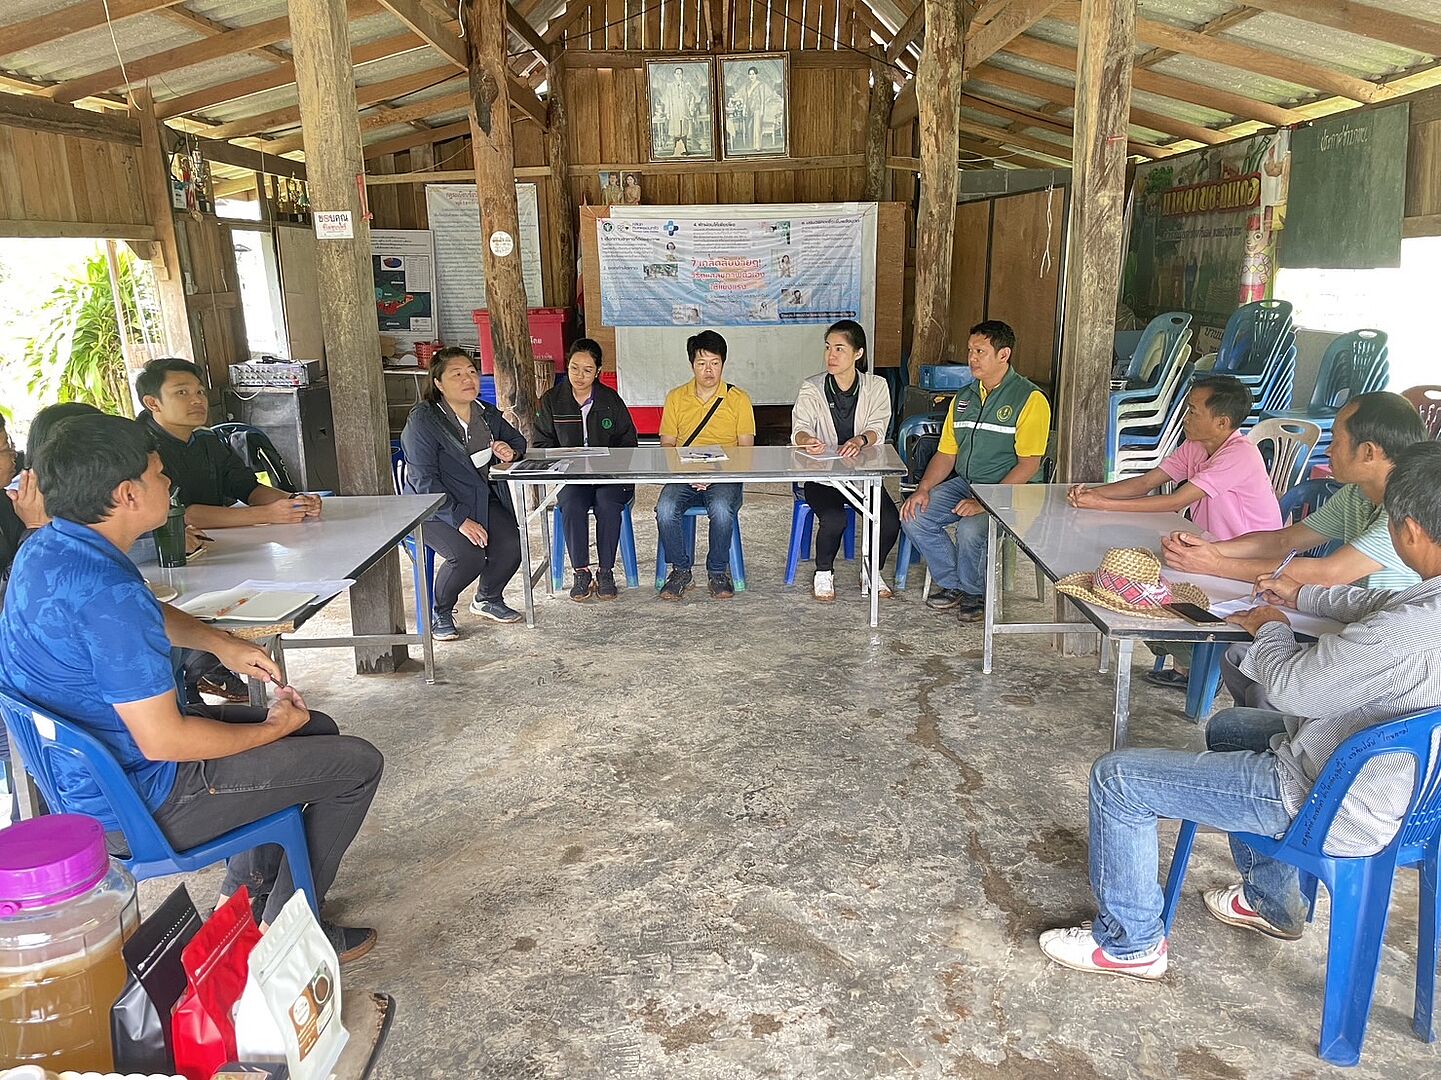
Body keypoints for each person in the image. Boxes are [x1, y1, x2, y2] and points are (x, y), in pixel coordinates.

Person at [1038, 440, 1441, 981]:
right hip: (1407, 788)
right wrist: (1298, 597)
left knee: (1117, 780)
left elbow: (1295, 687)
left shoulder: (1405, 635)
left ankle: (1131, 944)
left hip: (1331, 798)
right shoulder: (1424, 603)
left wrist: (1268, 627)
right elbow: (1374, 602)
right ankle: (1273, 903)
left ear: (1410, 530)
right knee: (1231, 727)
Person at [0, 414, 383, 961]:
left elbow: (148, 616)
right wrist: (272, 727)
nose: (170, 484)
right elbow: (166, 741)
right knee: (355, 764)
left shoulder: (51, 546)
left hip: (90, 780)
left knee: (317, 729)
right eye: (159, 475)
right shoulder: (109, 592)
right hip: (141, 802)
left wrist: (221, 643)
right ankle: (288, 928)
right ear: (127, 494)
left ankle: (248, 892)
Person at [1160, 392, 1429, 707]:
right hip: (1343, 626)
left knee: (1267, 683)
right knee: (1241, 659)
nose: (1328, 449)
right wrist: (1211, 549)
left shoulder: (1406, 514)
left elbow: (1329, 573)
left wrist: (1213, 564)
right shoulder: (1358, 494)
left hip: (1377, 658)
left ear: (1368, 452)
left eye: (1338, 440)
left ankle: (1274, 745)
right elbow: (1284, 540)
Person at [1067, 375, 1282, 689]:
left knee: (1161, 593)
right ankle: (1188, 666)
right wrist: (1094, 494)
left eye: (1194, 412)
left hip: (1248, 560)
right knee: (1147, 583)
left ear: (1222, 422)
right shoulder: (1196, 446)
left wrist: (1101, 504)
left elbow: (1173, 501)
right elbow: (1147, 482)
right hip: (1213, 547)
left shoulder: (1239, 455)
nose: (1186, 417)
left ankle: (1204, 667)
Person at [899, 320, 1052, 621]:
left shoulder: (1029, 399)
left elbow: (1029, 465)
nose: (972, 358)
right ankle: (954, 584)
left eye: (980, 351)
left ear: (1004, 354)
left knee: (971, 530)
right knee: (913, 515)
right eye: (970, 350)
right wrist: (923, 489)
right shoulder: (964, 397)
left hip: (1014, 492)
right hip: (968, 483)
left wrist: (984, 502)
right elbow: (946, 453)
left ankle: (975, 592)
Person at [400, 347, 526, 638]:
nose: (468, 379)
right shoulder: (424, 420)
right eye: (457, 374)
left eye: (472, 372)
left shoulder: (485, 413)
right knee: (468, 556)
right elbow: (423, 479)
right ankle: (441, 611)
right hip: (432, 507)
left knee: (512, 546)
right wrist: (460, 520)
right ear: (439, 383)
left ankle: (488, 598)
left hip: (479, 498)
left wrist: (510, 451)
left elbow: (516, 439)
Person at [136, 358, 321, 530]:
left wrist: (295, 502)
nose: (197, 400)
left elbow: (248, 488)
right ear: (153, 403)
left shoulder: (206, 438)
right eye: (182, 392)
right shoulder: (140, 449)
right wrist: (267, 514)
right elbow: (183, 514)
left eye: (200, 391)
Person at [791, 319, 902, 601]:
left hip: (862, 475)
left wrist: (860, 440)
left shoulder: (876, 386)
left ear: (858, 353)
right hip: (823, 475)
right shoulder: (812, 387)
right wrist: (807, 440)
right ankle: (823, 573)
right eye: (828, 348)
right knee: (834, 519)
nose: (831, 355)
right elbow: (800, 427)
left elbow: (878, 427)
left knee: (889, 521)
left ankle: (871, 570)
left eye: (840, 349)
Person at [533, 339, 639, 601]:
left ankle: (605, 571)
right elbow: (541, 444)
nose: (580, 376)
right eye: (574, 368)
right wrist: (564, 460)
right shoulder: (552, 400)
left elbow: (628, 443)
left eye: (587, 370)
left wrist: (611, 465)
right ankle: (581, 571)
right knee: (571, 503)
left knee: (607, 503)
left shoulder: (610, 400)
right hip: (572, 477)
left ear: (598, 371)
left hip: (609, 477)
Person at [656, 330, 755, 600]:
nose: (708, 370)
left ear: (723, 364)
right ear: (692, 365)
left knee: (722, 510)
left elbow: (746, 450)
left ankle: (717, 571)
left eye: (714, 363)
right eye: (701, 363)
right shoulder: (676, 397)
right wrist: (687, 474)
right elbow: (667, 446)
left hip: (725, 475)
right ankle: (680, 571)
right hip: (684, 474)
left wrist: (716, 475)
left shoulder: (739, 399)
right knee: (665, 509)